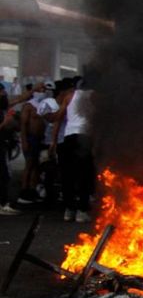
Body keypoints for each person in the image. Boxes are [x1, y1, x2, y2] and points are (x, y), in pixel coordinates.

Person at [50, 76, 95, 223]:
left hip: (69, 137)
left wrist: (54, 141)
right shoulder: (94, 96)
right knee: (84, 175)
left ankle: (69, 210)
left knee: (68, 174)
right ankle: (82, 210)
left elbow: (58, 118)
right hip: (84, 137)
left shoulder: (69, 96)